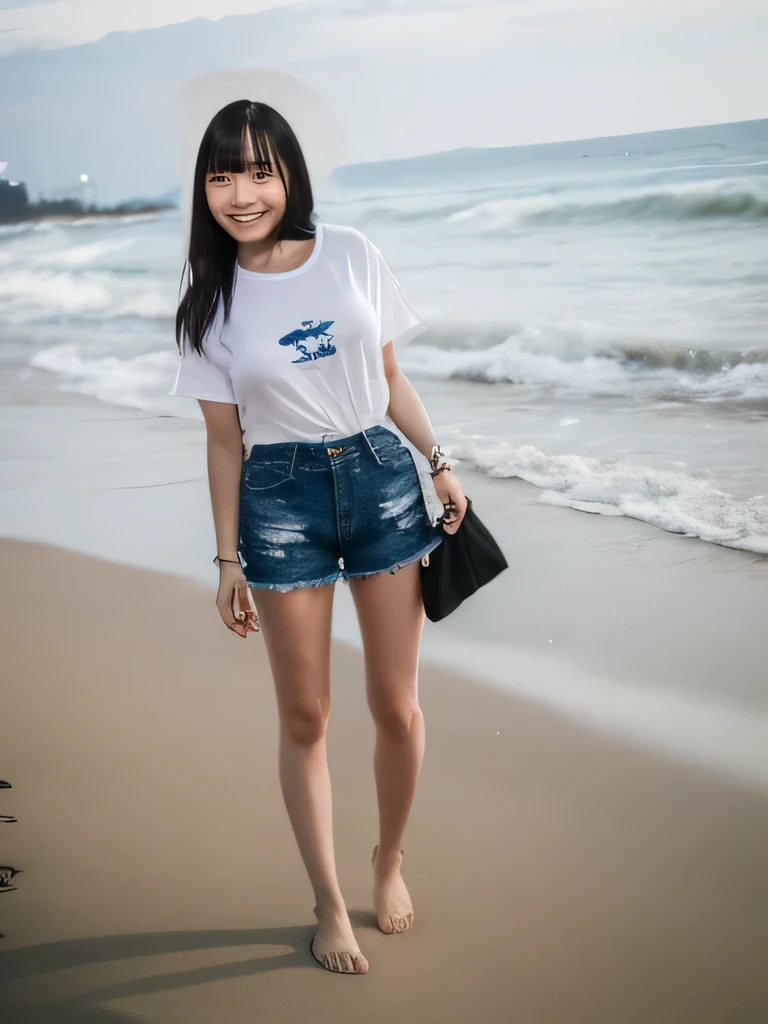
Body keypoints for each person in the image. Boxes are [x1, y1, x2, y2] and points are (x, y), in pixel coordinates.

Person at [170, 99, 467, 975]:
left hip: (381, 476)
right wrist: (226, 557)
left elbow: (388, 374)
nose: (241, 192)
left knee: (397, 705)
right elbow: (224, 439)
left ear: (290, 173)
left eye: (259, 170)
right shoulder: (208, 301)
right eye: (222, 175)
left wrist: (439, 460)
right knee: (306, 715)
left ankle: (388, 858)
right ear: (206, 188)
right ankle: (330, 900)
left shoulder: (351, 254)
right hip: (278, 499)